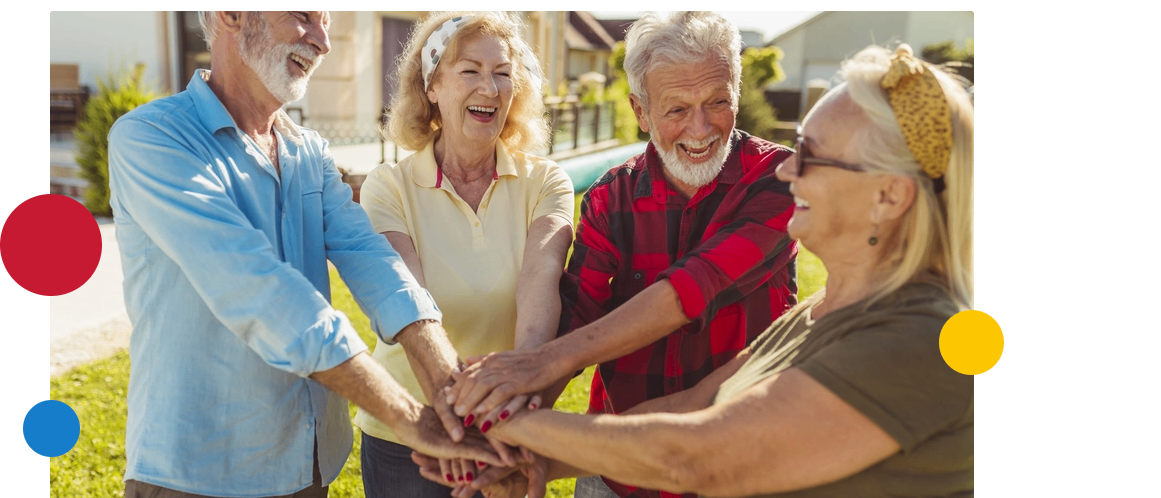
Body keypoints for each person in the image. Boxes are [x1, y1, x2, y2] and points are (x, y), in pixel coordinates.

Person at [422, 41, 975, 498]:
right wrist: (536, 456)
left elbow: (693, 456)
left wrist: (496, 423)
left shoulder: (927, 338)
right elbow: (690, 406)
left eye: (811, 154)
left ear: (889, 196)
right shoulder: (816, 313)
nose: (788, 167)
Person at [107, 11, 501, 498]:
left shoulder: (306, 151)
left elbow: (371, 257)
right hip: (199, 472)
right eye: (302, 16)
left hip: (309, 466)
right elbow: (258, 290)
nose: (323, 41)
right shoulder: (154, 138)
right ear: (232, 13)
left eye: (326, 21)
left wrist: (446, 381)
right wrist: (407, 415)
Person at [443, 11, 799, 498]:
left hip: (740, 466)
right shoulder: (612, 196)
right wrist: (508, 440)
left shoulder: (781, 180)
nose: (701, 128)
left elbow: (695, 287)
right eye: (676, 110)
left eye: (718, 102)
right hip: (617, 471)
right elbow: (577, 313)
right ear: (640, 110)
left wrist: (542, 364)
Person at [352, 11, 574, 498]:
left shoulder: (547, 182)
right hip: (407, 428)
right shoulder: (388, 187)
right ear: (432, 86)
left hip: (506, 422)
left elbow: (540, 284)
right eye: (470, 71)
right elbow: (407, 299)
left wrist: (507, 408)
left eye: (502, 73)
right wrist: (459, 420)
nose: (490, 88)